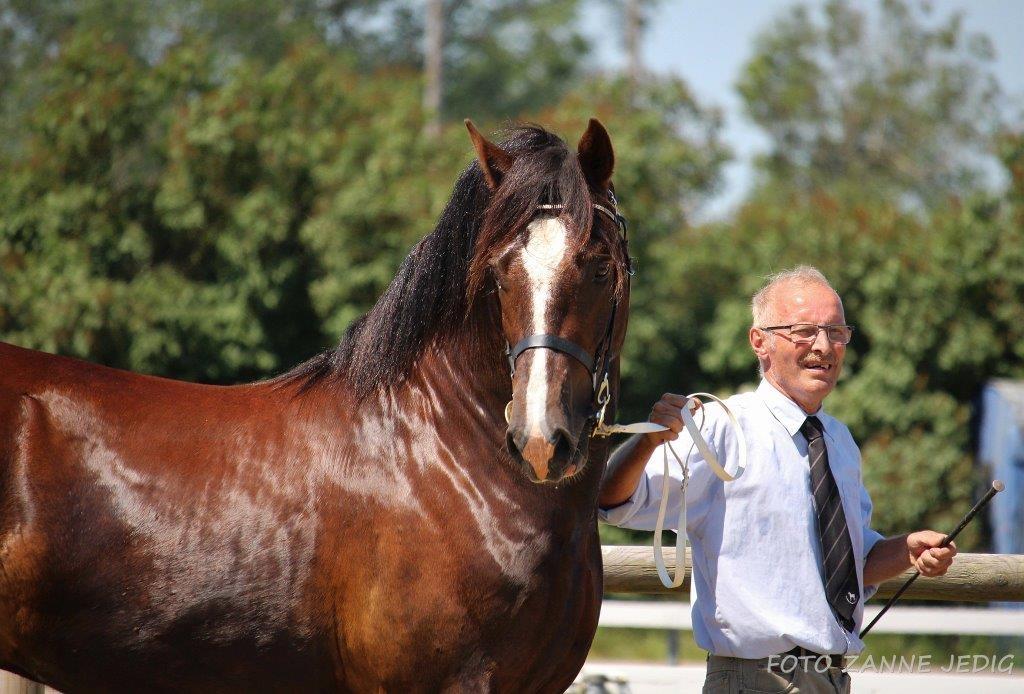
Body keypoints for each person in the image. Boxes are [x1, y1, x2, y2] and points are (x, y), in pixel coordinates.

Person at [598, 266, 957, 694]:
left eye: (836, 332)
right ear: (759, 342)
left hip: (832, 679)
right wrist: (646, 443)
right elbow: (615, 501)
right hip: (754, 680)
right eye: (804, 331)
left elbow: (848, 570)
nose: (824, 346)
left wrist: (907, 550)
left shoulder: (839, 441)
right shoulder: (720, 426)